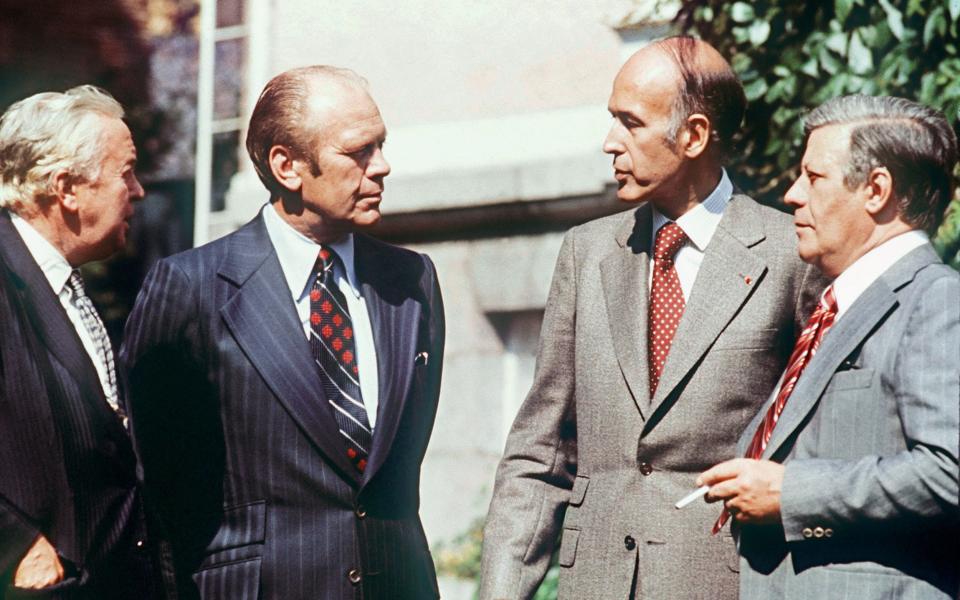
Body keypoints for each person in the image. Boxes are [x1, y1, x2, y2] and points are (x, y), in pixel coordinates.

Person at [479, 37, 823, 600]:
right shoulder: (586, 254)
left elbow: (818, 446)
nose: (609, 143)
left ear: (693, 135)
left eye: (630, 123)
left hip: (727, 583)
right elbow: (538, 455)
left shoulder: (791, 255)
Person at [121, 66, 445, 600]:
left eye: (381, 145)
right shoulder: (192, 288)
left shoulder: (412, 282)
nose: (382, 166)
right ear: (287, 166)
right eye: (358, 151)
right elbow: (158, 483)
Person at [699, 94, 960, 599]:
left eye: (814, 177)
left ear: (876, 190)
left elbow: (952, 470)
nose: (793, 194)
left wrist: (791, 492)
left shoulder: (937, 299)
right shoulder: (833, 308)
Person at [0, 86, 159, 598]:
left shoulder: (60, 281)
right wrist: (15, 546)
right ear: (67, 188)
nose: (138, 192)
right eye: (125, 173)